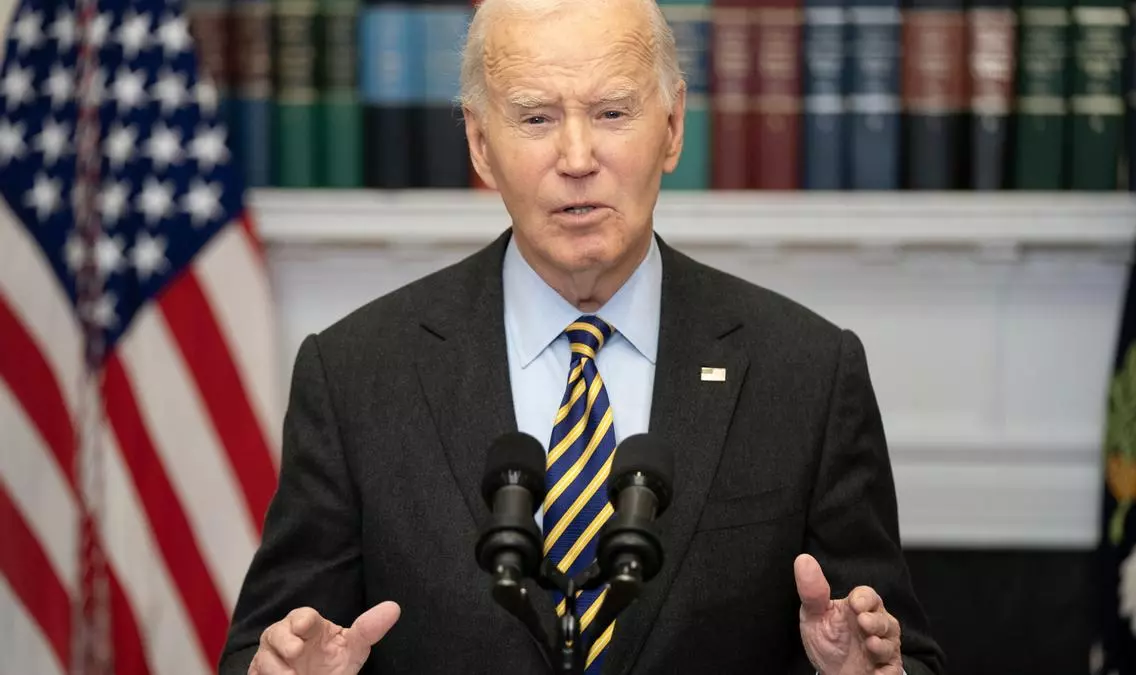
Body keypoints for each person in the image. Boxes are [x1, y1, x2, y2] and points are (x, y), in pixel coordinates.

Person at [219, 0, 945, 672]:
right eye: (535, 118)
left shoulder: (808, 373)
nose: (576, 157)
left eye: (611, 112)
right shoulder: (355, 376)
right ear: (479, 143)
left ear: (672, 126)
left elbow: (896, 648)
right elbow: (272, 643)